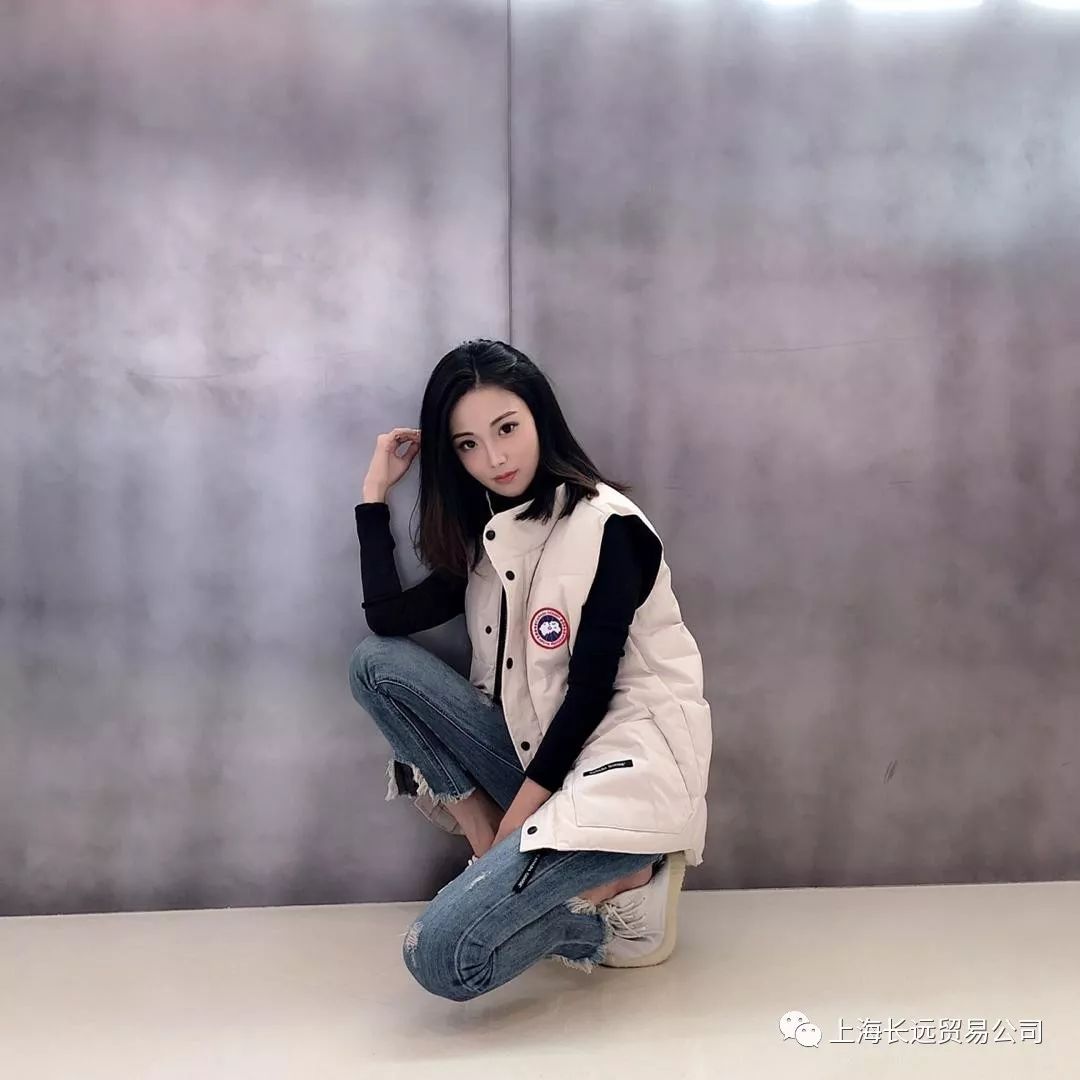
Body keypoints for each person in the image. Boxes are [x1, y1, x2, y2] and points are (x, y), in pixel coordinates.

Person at [348, 339, 712, 1002]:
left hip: (621, 784)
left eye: (507, 428)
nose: (494, 458)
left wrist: (513, 830)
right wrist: (374, 495)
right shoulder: (492, 537)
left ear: (540, 415)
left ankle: (621, 913)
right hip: (537, 764)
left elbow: (589, 698)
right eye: (468, 444)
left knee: (441, 956)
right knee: (376, 666)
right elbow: (386, 621)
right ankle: (491, 838)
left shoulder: (610, 528)